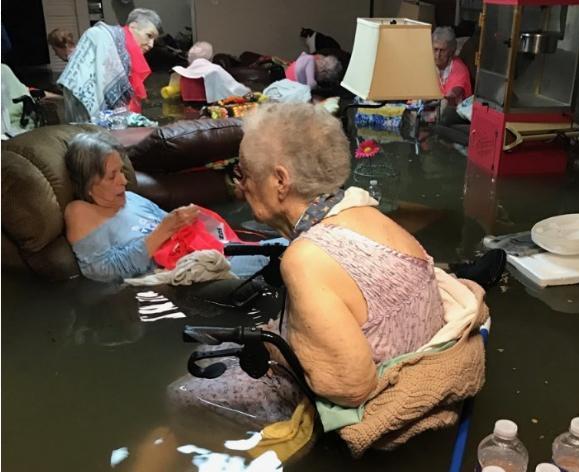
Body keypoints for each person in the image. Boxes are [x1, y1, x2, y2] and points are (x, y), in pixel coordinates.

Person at [167, 103, 446, 428]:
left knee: (181, 394)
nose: (240, 187)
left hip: (359, 400)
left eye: (243, 173)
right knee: (214, 347)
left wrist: (274, 350)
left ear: (280, 181)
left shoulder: (307, 259)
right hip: (405, 354)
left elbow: (350, 387)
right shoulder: (363, 211)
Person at [63, 132, 280, 283]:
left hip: (211, 255)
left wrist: (183, 220)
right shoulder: (80, 212)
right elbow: (101, 273)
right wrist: (164, 230)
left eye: (121, 171)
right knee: (287, 259)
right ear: (89, 183)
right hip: (185, 277)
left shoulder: (130, 198)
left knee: (289, 247)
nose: (123, 181)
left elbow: (178, 233)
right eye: (112, 176)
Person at [58, 8, 161, 123]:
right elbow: (78, 82)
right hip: (85, 113)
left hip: (108, 120)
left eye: (154, 40)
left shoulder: (128, 56)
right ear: (133, 26)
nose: (151, 44)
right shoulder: (100, 36)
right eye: (149, 35)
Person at [165, 40, 250, 103]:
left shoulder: (181, 74)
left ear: (189, 58)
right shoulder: (215, 70)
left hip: (187, 109)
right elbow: (235, 89)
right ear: (210, 57)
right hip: (213, 109)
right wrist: (248, 92)